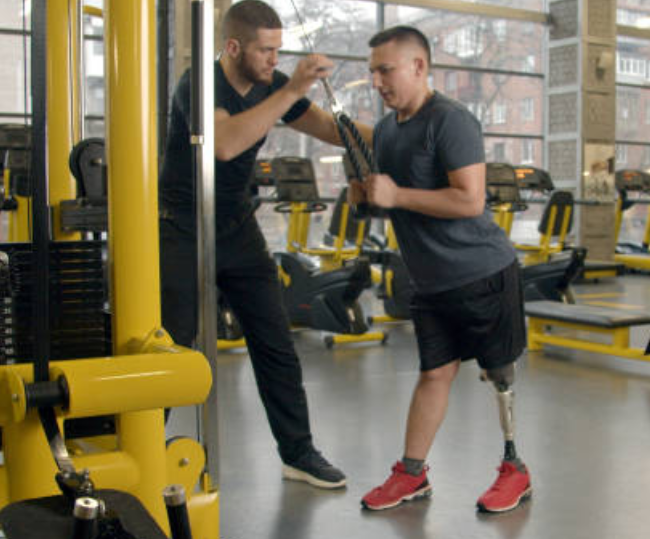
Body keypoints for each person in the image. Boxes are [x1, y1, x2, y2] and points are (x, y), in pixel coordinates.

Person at [158, 0, 370, 489]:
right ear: (233, 47)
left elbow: (327, 127)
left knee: (275, 341)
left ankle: (297, 453)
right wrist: (293, 86)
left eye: (279, 50)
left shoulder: (273, 86)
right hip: (180, 225)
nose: (274, 60)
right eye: (265, 50)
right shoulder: (200, 84)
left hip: (235, 224)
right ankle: (141, 447)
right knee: (171, 344)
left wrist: (396, 138)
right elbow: (226, 142)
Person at [353, 26, 531, 513]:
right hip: (430, 281)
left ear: (418, 66)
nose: (377, 81)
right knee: (434, 374)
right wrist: (368, 200)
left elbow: (469, 200)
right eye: (372, 72)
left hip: (482, 273)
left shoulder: (451, 121)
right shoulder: (388, 130)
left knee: (499, 373)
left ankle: (515, 468)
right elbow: (399, 202)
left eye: (385, 70)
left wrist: (396, 195)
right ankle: (412, 473)